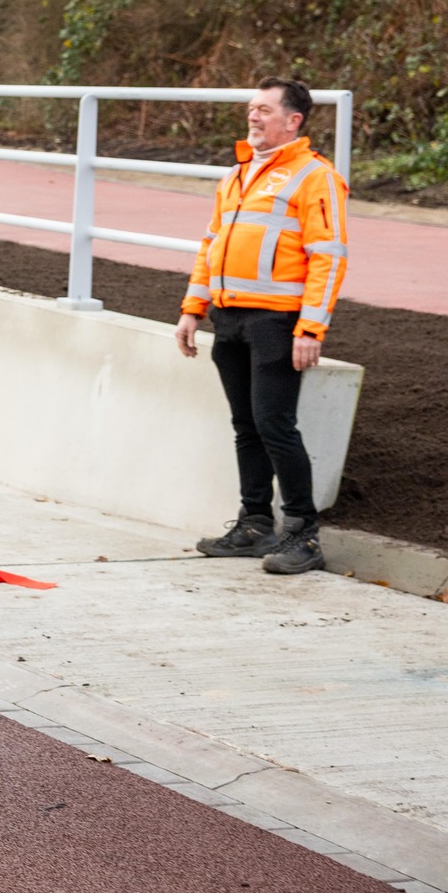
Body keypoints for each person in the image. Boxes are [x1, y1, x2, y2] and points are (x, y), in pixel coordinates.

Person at [177, 77, 349, 575]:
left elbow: (329, 257)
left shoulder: (314, 177)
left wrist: (311, 329)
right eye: (251, 108)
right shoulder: (236, 175)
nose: (253, 117)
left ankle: (303, 533)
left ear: (294, 120)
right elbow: (211, 245)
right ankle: (254, 524)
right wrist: (194, 307)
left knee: (275, 425)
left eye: (265, 110)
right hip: (229, 317)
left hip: (277, 322)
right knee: (246, 426)